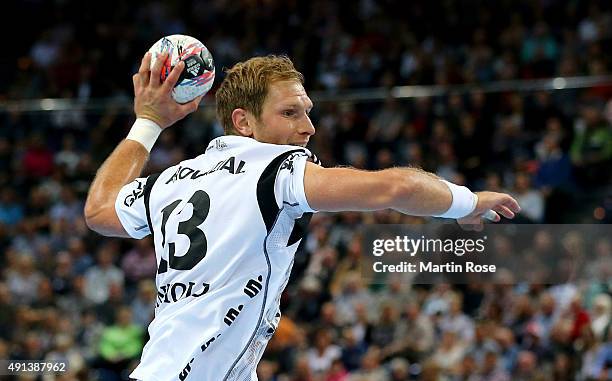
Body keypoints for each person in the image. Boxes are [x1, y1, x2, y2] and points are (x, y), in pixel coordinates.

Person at [84, 51, 520, 381]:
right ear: (244, 123)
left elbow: (100, 211)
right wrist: (469, 202)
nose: (308, 127)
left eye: (308, 111)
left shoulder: (171, 182)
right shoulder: (275, 170)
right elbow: (398, 187)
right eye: (290, 113)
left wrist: (148, 122)